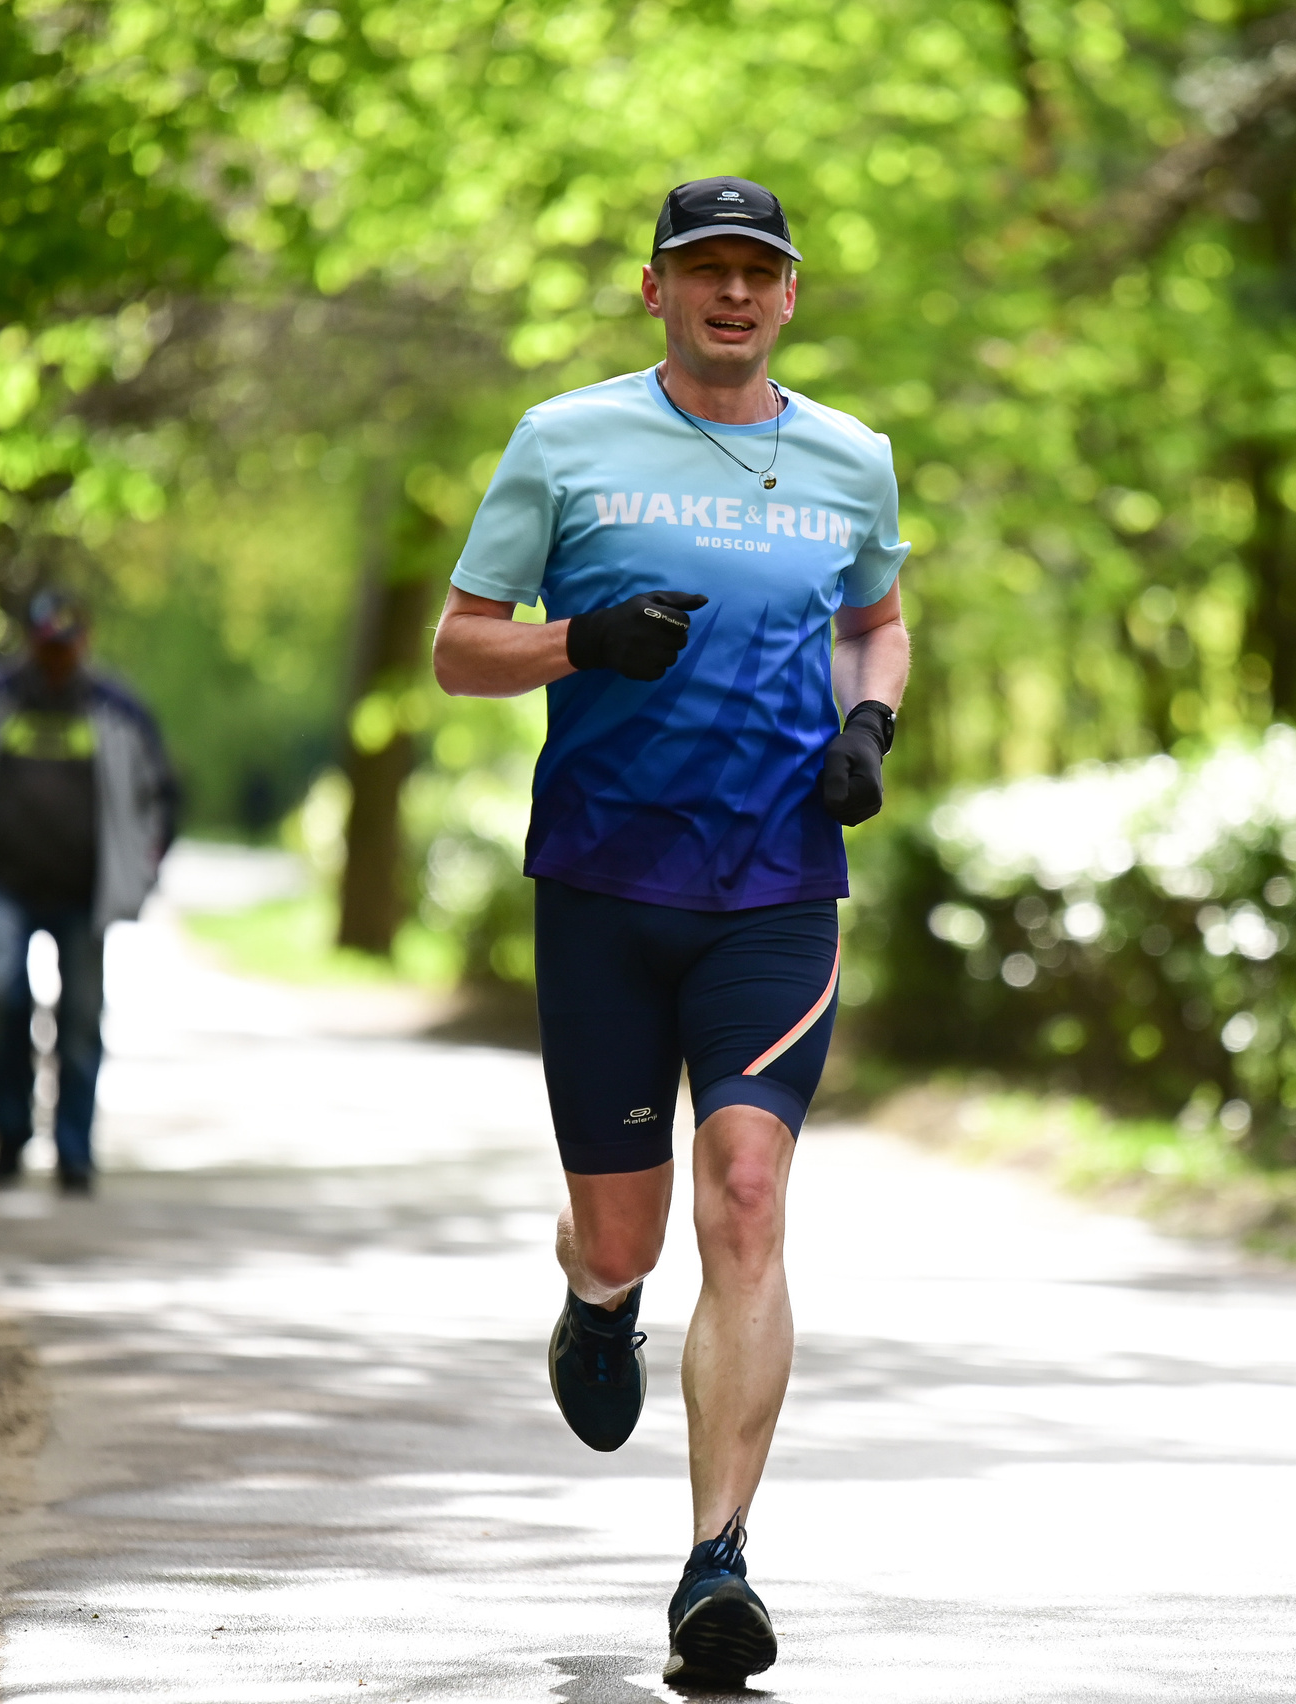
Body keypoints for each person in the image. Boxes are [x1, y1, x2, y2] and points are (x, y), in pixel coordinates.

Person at [432, 176, 909, 1687]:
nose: (732, 294)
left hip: (774, 888)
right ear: (654, 291)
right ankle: (596, 1296)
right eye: (702, 270)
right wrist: (580, 641)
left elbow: (875, 616)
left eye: (756, 272)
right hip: (601, 887)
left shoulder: (851, 459)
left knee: (750, 1193)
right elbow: (457, 650)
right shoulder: (563, 441)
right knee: (631, 1225)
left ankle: (717, 1565)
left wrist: (871, 724)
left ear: (790, 292)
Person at [0, 590, 179, 1195]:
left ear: (83, 643)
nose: (56, 659)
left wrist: (141, 870)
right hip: (5, 886)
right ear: (31, 643)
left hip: (83, 894)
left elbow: (161, 795)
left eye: (66, 648)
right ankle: (10, 1137)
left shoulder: (118, 709)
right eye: (46, 648)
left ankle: (74, 1152)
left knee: (82, 1020)